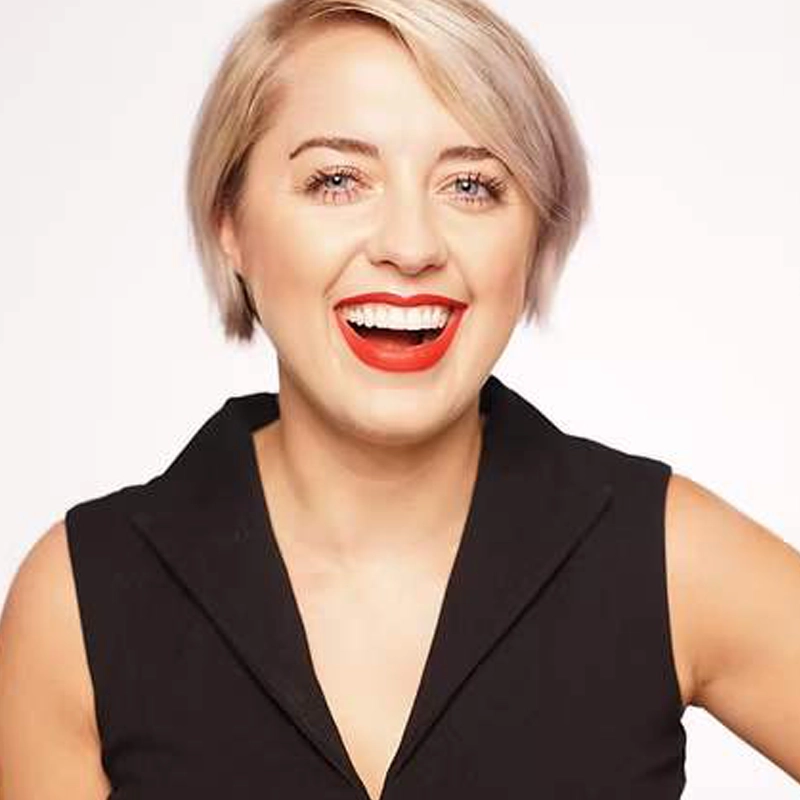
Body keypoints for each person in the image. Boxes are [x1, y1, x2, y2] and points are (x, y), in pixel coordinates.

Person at [0, 0, 798, 798]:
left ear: (534, 234)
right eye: (338, 179)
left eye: (472, 185)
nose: (411, 247)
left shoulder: (668, 556)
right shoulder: (78, 599)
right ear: (230, 225)